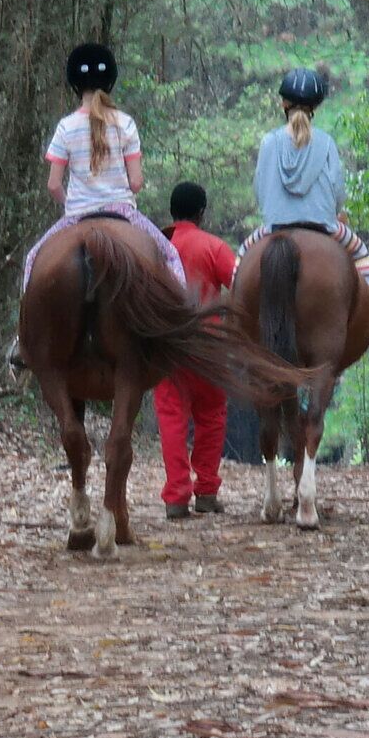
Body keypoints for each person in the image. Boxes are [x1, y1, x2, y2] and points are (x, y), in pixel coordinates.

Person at [26, 41, 178, 284]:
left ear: (75, 84)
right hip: (121, 209)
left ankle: (28, 323)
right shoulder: (125, 123)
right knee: (171, 257)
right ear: (110, 82)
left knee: (33, 260)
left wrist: (71, 204)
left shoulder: (66, 127)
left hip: (78, 213)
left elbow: (53, 184)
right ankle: (179, 320)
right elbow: (136, 182)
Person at [247, 65, 369, 295]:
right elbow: (337, 191)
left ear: (283, 104)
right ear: (315, 107)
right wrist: (334, 211)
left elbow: (260, 189)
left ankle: (232, 318)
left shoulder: (269, 142)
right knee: (360, 252)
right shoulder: (326, 143)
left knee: (242, 259)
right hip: (323, 225)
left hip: (274, 226)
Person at [154, 181, 237, 519]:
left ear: (172, 212)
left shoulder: (158, 247)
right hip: (209, 347)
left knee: (172, 418)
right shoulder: (214, 247)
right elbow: (240, 283)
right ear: (202, 212)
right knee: (212, 416)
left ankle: (176, 497)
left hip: (169, 346)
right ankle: (206, 492)